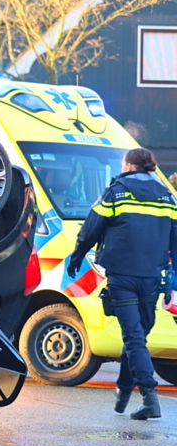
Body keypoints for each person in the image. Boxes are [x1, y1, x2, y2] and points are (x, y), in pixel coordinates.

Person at [67, 148, 177, 420]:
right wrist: (173, 282)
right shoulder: (167, 197)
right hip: (152, 278)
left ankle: (150, 399)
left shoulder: (115, 192)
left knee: (134, 337)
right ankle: (125, 389)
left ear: (128, 165)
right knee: (137, 335)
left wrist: (77, 256)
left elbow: (91, 228)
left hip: (122, 276)